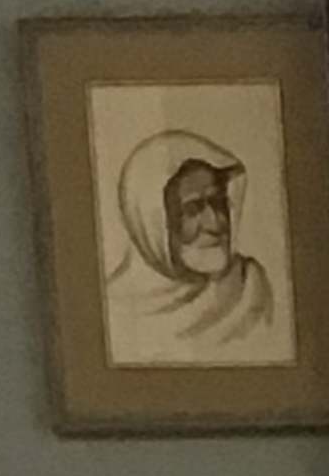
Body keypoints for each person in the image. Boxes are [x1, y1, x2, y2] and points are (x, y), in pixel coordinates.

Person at [103, 122, 279, 361]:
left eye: (218, 203)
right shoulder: (114, 309)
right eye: (193, 209)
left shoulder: (248, 285)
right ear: (151, 221)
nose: (216, 223)